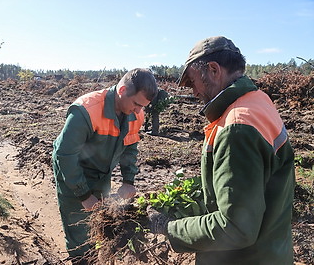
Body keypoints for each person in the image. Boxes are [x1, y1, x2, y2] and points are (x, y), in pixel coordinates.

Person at [148, 36, 295, 264]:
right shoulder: (258, 101)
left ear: (214, 70)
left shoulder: (236, 127)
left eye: (193, 82)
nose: (194, 92)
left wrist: (169, 227)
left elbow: (235, 227)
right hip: (271, 251)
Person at [52, 68, 158, 264]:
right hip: (72, 169)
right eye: (136, 104)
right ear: (123, 90)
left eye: (142, 107)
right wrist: (84, 195)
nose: (138, 111)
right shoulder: (86, 110)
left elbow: (130, 147)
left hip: (101, 172)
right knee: (79, 227)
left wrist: (128, 181)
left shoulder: (136, 114)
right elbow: (65, 155)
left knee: (101, 222)